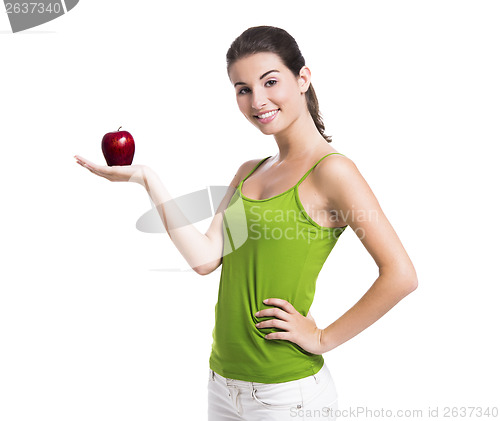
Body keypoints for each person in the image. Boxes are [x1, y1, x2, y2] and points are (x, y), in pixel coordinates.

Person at [74, 25, 418, 421]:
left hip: (288, 396)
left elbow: (401, 275)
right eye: (243, 89)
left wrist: (323, 337)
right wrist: (147, 179)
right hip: (222, 384)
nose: (258, 100)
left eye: (270, 81)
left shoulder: (333, 172)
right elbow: (205, 258)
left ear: (302, 78)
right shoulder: (249, 171)